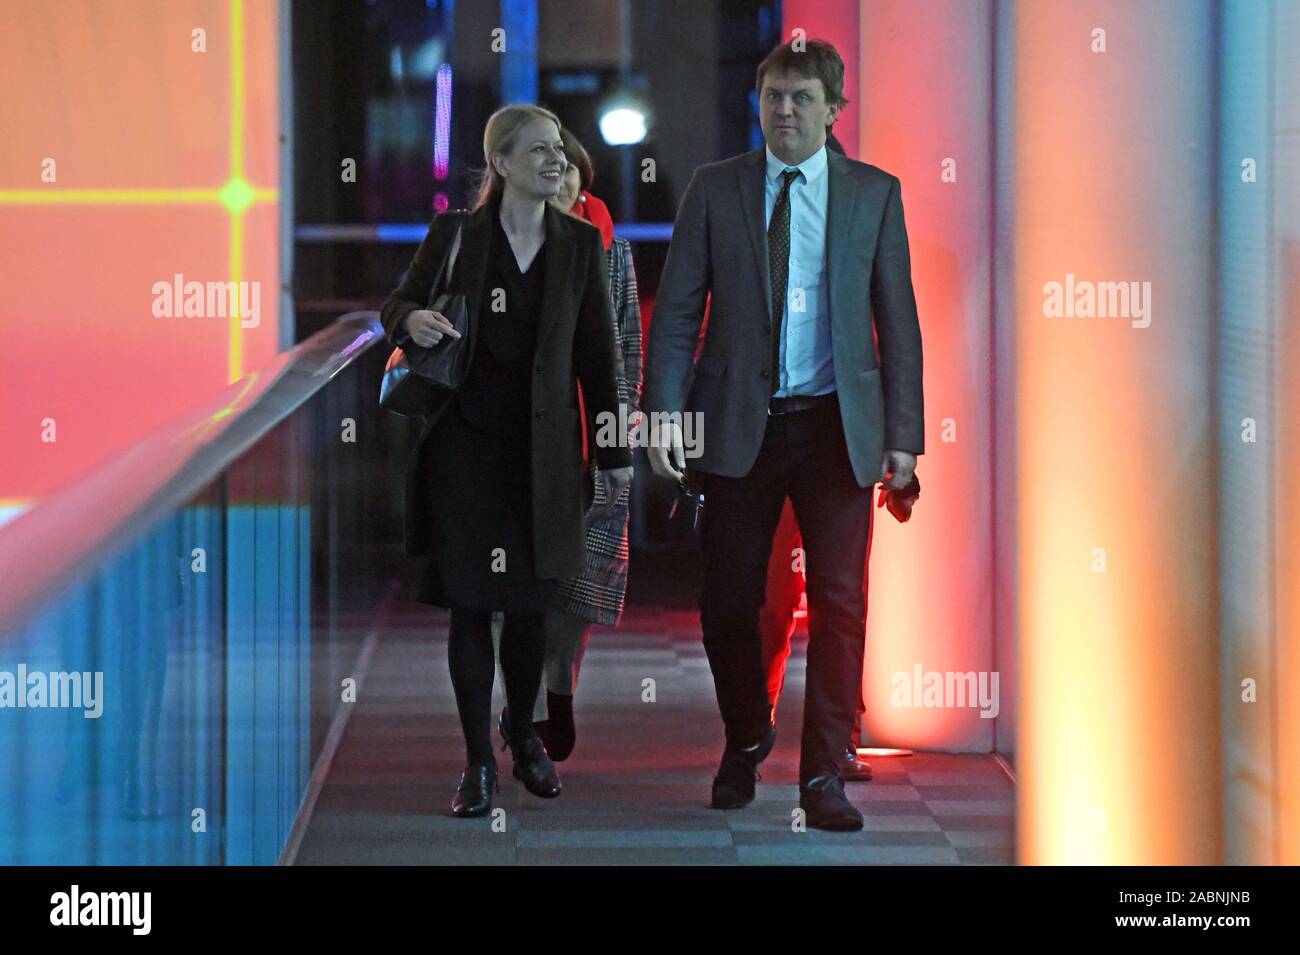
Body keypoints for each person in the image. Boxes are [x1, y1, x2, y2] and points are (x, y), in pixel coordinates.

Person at [644, 39, 924, 831]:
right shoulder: (715, 188)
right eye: (773, 97)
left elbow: (897, 322)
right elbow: (677, 315)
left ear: (833, 111)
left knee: (842, 602)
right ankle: (746, 732)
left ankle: (822, 776)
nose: (786, 111)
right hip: (739, 424)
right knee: (728, 599)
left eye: (802, 99)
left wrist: (903, 434)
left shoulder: (873, 194)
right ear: (758, 104)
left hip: (836, 427)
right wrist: (664, 411)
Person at [380, 105, 633, 818]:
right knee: (470, 604)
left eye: (559, 149)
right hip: (464, 450)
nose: (557, 161)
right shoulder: (457, 236)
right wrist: (410, 319)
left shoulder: (580, 245)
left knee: (530, 607)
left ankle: (522, 732)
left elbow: (600, 362)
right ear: (502, 164)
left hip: (544, 458)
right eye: (539, 151)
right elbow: (396, 301)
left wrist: (614, 454)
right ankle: (475, 764)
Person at [494, 127, 643, 761]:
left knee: (585, 583)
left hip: (600, 438)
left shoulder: (609, 252)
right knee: (528, 583)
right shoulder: (516, 249)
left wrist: (622, 426)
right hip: (530, 441)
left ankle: (559, 692)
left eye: (573, 176)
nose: (564, 185)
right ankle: (531, 712)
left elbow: (628, 344)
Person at [759, 131, 874, 784]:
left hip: (841, 443)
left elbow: (888, 338)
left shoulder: (865, 226)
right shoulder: (762, 221)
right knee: (770, 597)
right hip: (771, 436)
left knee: (841, 598)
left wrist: (895, 448)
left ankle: (839, 739)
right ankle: (758, 715)